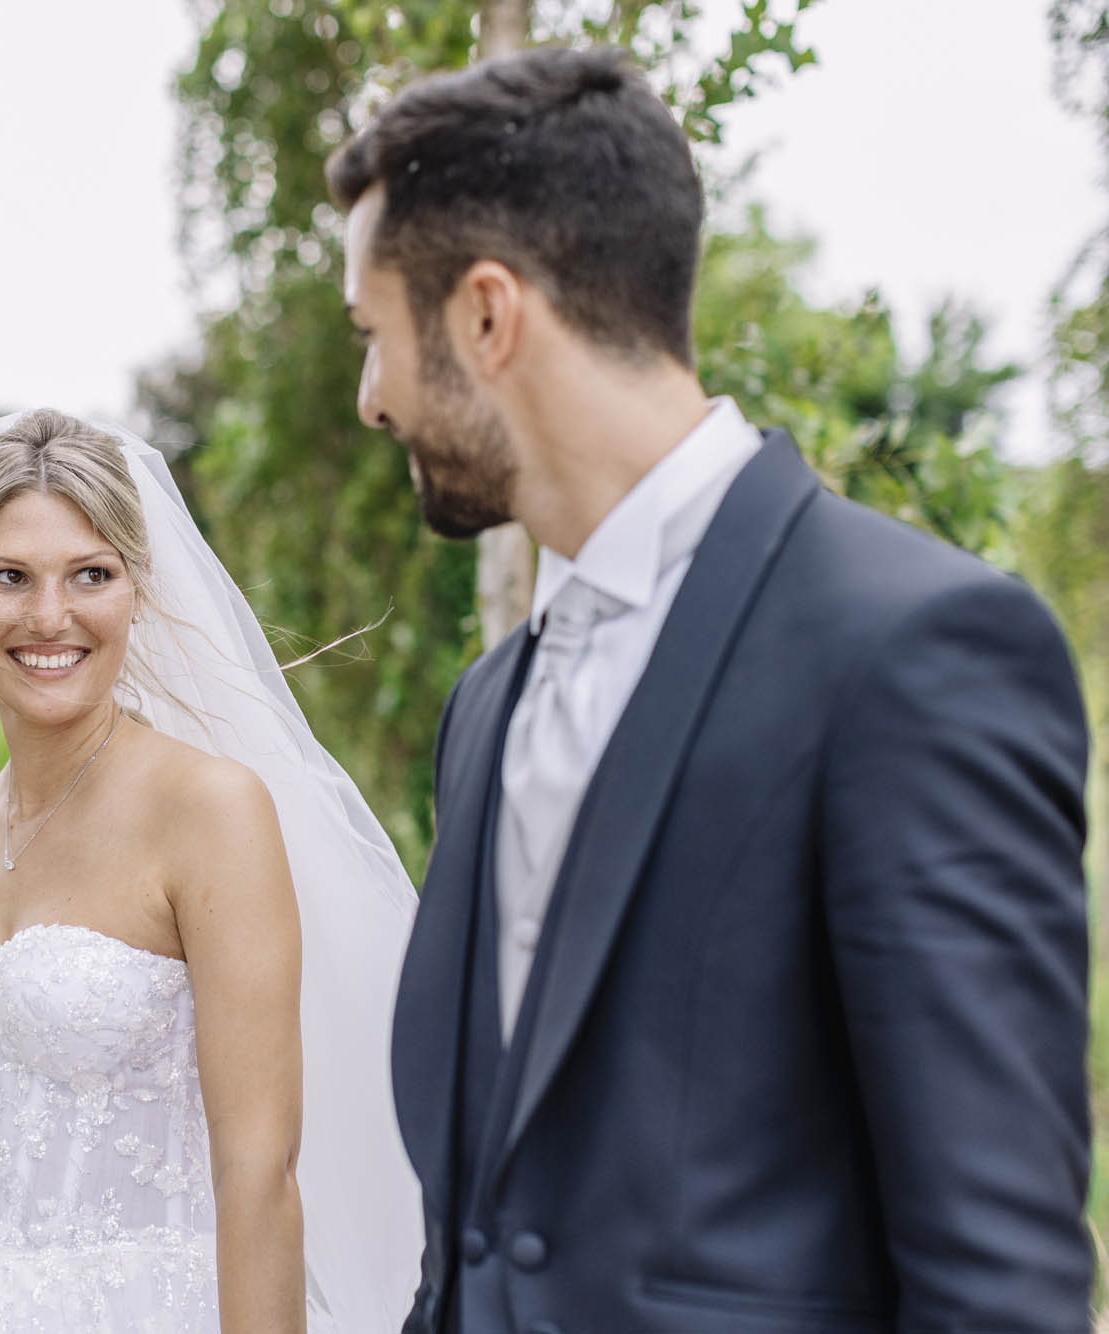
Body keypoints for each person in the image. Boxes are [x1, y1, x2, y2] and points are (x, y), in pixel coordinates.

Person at [330, 45, 1094, 1334]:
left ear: (484, 316)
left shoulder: (913, 652)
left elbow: (996, 1283)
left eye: (372, 337)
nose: (369, 400)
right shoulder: (484, 708)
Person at [0, 408, 423, 1333]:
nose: (49, 617)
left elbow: (259, 1175)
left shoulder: (210, 811)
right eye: (9, 577)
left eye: (91, 574)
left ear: (137, 587)